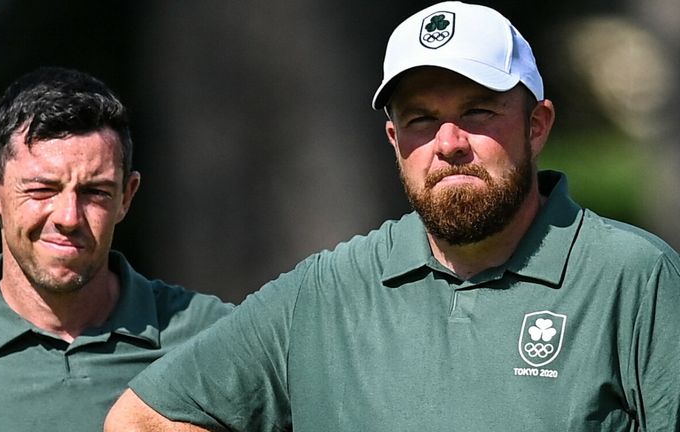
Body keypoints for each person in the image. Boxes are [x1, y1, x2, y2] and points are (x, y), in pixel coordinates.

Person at [105, 2, 680, 431]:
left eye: (478, 112)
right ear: (394, 140)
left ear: (537, 126)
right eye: (421, 120)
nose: (448, 142)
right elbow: (142, 419)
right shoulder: (328, 290)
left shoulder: (633, 276)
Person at [0, 67, 232, 431]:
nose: (68, 216)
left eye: (95, 192)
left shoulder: (215, 337)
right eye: (41, 190)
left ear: (126, 197)